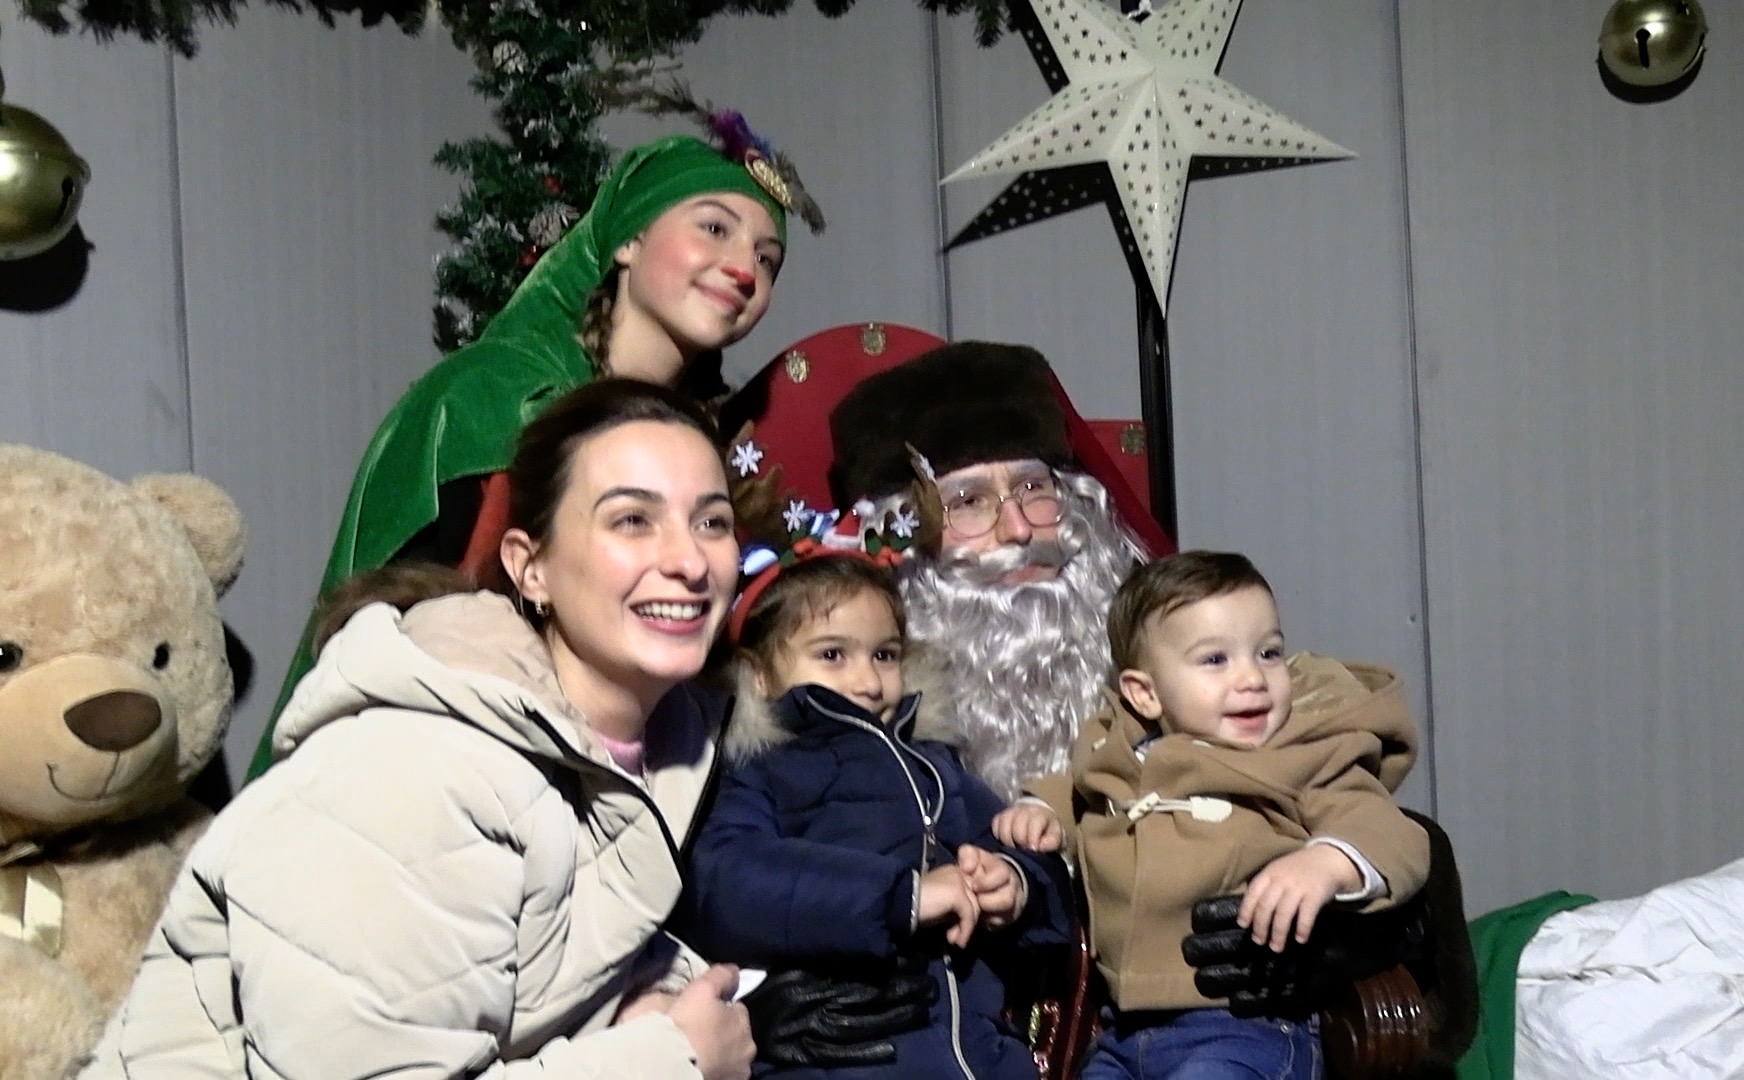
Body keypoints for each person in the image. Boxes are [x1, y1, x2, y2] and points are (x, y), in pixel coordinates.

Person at [84, 379, 755, 1077]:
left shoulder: (663, 744)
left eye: (711, 522)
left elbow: (552, 959)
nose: (688, 562)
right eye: (633, 520)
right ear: (531, 569)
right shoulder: (411, 771)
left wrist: (648, 1000)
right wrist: (671, 1059)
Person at [246, 111, 820, 780]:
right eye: (714, 228)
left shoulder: (698, 446)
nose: (745, 269)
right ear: (628, 238)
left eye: (767, 258)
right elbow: (410, 635)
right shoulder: (496, 397)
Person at [992, 550, 1430, 1079]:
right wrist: (1041, 809)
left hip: (1248, 1026)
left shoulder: (1302, 755)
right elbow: (1082, 789)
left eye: (1268, 652)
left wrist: (1328, 862)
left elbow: (1389, 831)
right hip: (1122, 1032)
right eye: (1215, 660)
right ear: (1144, 694)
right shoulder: (1117, 751)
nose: (1252, 677)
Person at [679, 516, 1073, 1079]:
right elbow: (727, 879)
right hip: (844, 1058)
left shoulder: (937, 766)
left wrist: (1014, 882)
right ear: (759, 674)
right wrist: (901, 897)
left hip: (982, 1058)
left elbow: (1016, 843)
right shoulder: (756, 768)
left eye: (885, 655)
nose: (868, 682)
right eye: (832, 655)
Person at [824, 340, 1164, 801]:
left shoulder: (1172, 664)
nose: (1019, 530)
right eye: (968, 502)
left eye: (1033, 487)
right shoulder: (867, 744)